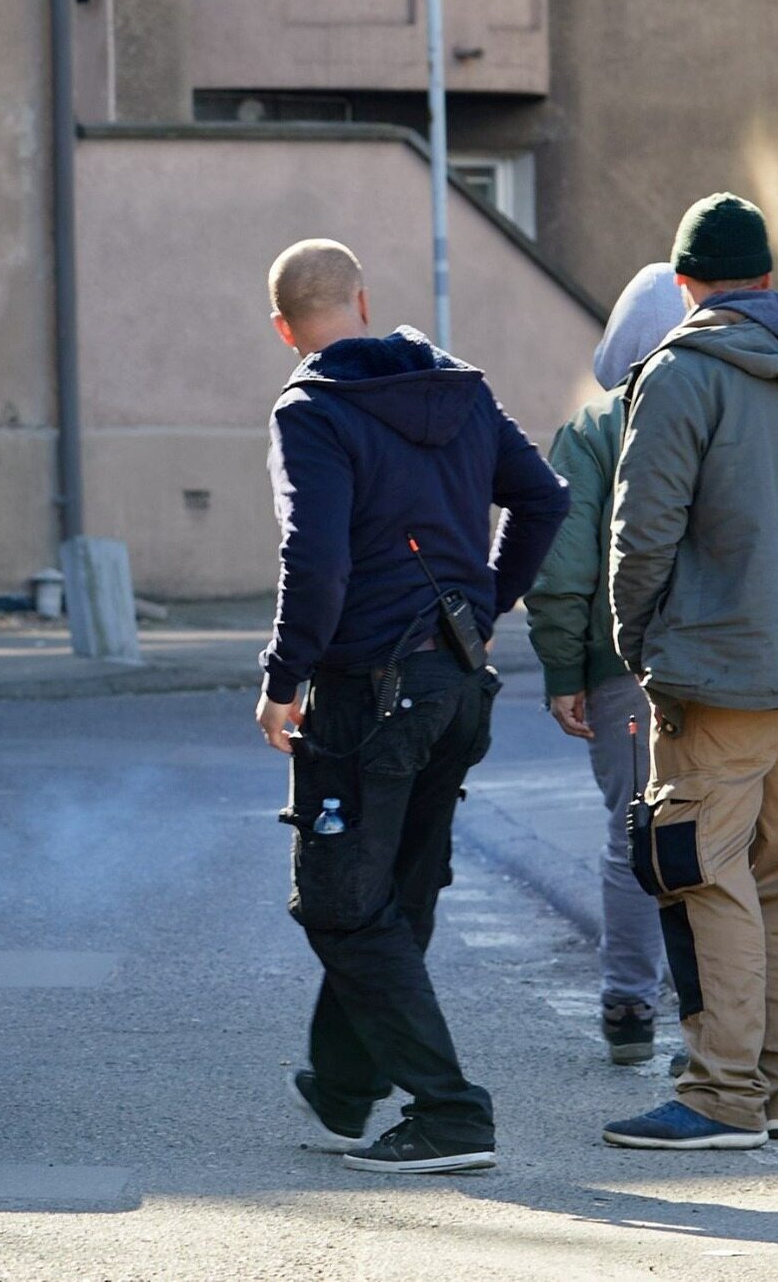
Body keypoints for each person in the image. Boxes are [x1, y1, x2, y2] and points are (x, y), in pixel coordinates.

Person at [256, 239, 568, 1176]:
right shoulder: (458, 388)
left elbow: (316, 559)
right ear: (363, 297)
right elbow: (543, 499)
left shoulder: (312, 407)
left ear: (283, 326)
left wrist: (281, 677)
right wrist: (486, 606)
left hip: (368, 690)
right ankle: (348, 1085)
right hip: (458, 685)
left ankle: (450, 1113)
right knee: (397, 888)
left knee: (343, 906)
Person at [601, 194, 778, 1152]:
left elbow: (642, 532)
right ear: (768, 278)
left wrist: (638, 645)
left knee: (703, 873)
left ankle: (721, 1094)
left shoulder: (681, 372)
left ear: (685, 284)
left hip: (719, 674)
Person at [525, 264, 687, 1065]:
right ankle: (725, 1022)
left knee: (638, 835)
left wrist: (563, 671)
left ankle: (629, 1007)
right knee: (731, 838)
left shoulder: (593, 431)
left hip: (626, 668)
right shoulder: (733, 410)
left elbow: (561, 568)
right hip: (734, 661)